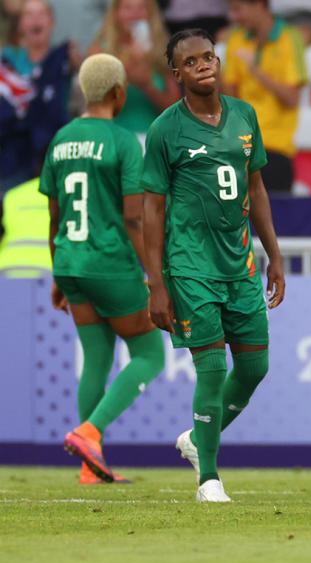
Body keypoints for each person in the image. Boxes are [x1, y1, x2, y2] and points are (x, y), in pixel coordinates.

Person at [141, 28, 286, 502]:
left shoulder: (245, 115)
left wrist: (274, 257)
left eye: (209, 57)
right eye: (192, 61)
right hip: (190, 267)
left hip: (240, 265)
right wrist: (156, 284)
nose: (204, 65)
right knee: (210, 368)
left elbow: (257, 188)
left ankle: (196, 438)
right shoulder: (166, 129)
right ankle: (209, 478)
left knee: (255, 367)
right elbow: (152, 210)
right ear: (177, 73)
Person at [39, 53, 165, 484]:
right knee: (150, 354)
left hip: (71, 261)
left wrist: (59, 272)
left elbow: (55, 216)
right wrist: (153, 273)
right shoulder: (124, 141)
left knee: (96, 358)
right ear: (118, 92)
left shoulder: (60, 140)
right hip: (110, 262)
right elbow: (133, 217)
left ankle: (88, 467)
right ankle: (89, 432)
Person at [222, 0, 307, 193]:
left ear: (259, 5)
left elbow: (292, 99)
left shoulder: (290, 38)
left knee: (273, 221)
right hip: (241, 148)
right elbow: (229, 99)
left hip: (276, 149)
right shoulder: (235, 39)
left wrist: (257, 72)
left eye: (238, 9)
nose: (232, 17)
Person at [0, 0, 75, 192]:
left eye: (41, 13)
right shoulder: (5, 61)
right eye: (29, 14)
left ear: (52, 22)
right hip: (12, 160)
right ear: (21, 25)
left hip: (55, 154)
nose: (35, 19)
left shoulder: (67, 59)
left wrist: (78, 64)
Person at [88, 0, 181, 139]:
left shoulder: (162, 51)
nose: (135, 15)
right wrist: (125, 75)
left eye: (141, 8)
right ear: (115, 14)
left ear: (151, 14)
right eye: (128, 8)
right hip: (115, 139)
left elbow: (175, 110)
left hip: (153, 140)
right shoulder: (100, 52)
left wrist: (148, 86)